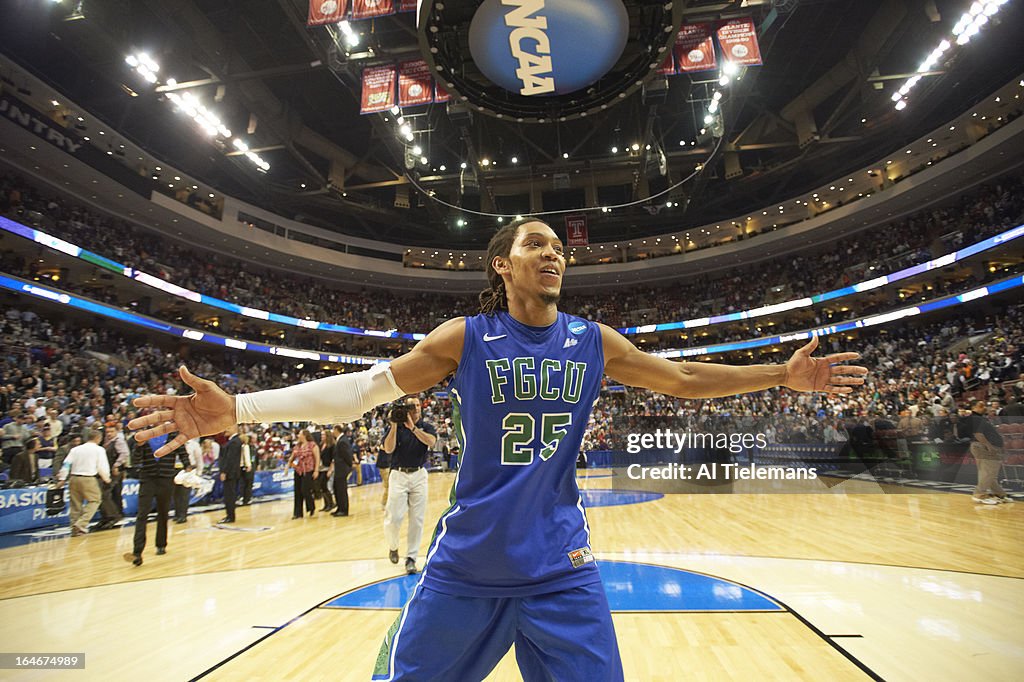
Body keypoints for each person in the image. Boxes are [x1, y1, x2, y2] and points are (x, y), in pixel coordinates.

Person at [128, 218, 867, 681]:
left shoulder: (593, 341)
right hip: (468, 565)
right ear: (502, 268)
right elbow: (363, 392)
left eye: (556, 246)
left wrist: (782, 374)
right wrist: (241, 408)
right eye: (533, 244)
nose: (552, 254)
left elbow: (679, 378)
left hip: (560, 567)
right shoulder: (466, 339)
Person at [382, 398, 436, 575]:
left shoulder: (425, 427)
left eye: (418, 406)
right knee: (394, 516)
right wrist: (394, 426)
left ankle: (411, 557)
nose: (416, 409)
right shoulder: (396, 427)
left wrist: (412, 427)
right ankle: (393, 546)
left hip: (419, 474)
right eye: (412, 407)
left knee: (417, 519)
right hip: (398, 474)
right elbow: (388, 449)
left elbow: (431, 442)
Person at [124, 440, 190, 565]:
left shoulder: (173, 436)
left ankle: (161, 544)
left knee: (163, 513)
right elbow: (135, 461)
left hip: (166, 479)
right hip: (147, 479)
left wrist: (188, 466)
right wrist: (138, 446)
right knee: (142, 515)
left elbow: (183, 454)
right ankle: (137, 552)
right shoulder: (145, 436)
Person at [57, 428, 110, 537]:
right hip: (88, 478)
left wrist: (62, 478)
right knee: (95, 500)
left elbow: (66, 464)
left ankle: (74, 528)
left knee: (75, 505)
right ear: (98, 438)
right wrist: (106, 477)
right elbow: (101, 466)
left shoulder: (75, 449)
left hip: (74, 478)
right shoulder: (99, 450)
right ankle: (81, 524)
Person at [964, 399, 1012, 505]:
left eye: (984, 405)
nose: (984, 407)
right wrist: (989, 446)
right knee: (989, 472)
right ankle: (979, 494)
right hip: (983, 446)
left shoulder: (980, 418)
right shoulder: (975, 418)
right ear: (973, 407)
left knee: (989, 473)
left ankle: (999, 494)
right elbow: (978, 434)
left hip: (982, 446)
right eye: (980, 405)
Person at [288, 429, 319, 519]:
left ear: (304, 435)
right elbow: (292, 458)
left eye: (300, 434)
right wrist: (291, 464)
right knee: (297, 492)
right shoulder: (297, 446)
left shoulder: (313, 445)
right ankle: (297, 513)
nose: (298, 435)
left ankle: (311, 507)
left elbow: (317, 458)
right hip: (298, 471)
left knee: (305, 490)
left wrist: (316, 470)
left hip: (308, 470)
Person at [329, 424, 354, 517]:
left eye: (333, 429)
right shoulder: (340, 440)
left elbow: (347, 455)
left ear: (336, 429)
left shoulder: (343, 440)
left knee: (342, 490)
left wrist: (348, 467)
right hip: (339, 469)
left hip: (342, 469)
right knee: (337, 489)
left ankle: (344, 510)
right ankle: (339, 508)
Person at [218, 429, 242, 523]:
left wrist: (224, 471)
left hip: (230, 473)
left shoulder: (234, 442)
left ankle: (230, 516)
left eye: (228, 428)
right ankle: (229, 515)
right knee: (229, 495)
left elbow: (230, 459)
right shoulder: (234, 441)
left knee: (229, 495)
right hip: (232, 473)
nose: (225, 430)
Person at [316, 429, 335, 512]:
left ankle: (331, 503)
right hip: (321, 468)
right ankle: (326, 504)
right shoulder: (321, 445)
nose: (322, 436)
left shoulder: (332, 446)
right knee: (321, 486)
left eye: (323, 435)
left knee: (325, 486)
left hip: (327, 468)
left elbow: (333, 459)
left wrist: (330, 470)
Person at [239, 433, 255, 505]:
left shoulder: (239, 447)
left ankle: (243, 497)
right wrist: (248, 465)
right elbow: (247, 456)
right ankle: (247, 498)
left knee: (243, 483)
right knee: (248, 484)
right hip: (246, 467)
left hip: (241, 467)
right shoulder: (245, 446)